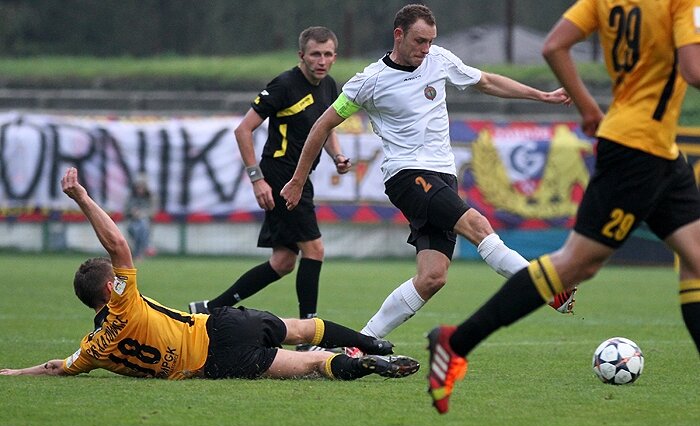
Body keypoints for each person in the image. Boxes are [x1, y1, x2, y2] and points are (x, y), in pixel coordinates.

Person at [425, 0, 700, 414]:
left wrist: (588, 106)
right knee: (576, 264)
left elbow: (554, 46)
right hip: (638, 153)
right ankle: (455, 343)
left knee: (697, 259)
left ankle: (455, 343)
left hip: (658, 150)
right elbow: (693, 70)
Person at [280, 4, 577, 353]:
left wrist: (540, 95)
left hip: (443, 176)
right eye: (419, 41)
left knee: (432, 277)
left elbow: (486, 81)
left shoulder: (439, 60)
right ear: (399, 35)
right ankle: (546, 287)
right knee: (478, 226)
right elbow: (322, 125)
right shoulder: (369, 81)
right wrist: (297, 180)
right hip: (407, 175)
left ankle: (358, 344)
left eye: (431, 41)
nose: (426, 49)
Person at [0, 167, 419, 381]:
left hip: (216, 363)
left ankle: (365, 365)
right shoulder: (123, 305)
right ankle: (374, 344)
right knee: (302, 329)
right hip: (220, 325)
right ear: (111, 287)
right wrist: (82, 197)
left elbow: (58, 367)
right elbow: (118, 245)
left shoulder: (94, 349)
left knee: (311, 364)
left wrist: (18, 373)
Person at [189, 27, 352, 349]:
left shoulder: (330, 85)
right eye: (315, 54)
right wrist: (257, 179)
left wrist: (338, 156)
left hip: (300, 177)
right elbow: (243, 130)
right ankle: (308, 336)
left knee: (283, 261)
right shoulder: (284, 85)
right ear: (301, 55)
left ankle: (210, 309)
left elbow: (326, 127)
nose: (322, 61)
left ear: (335, 56)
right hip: (282, 178)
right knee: (315, 250)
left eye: (328, 54)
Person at [125, 172, 156, 260]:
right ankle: (147, 246)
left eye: (142, 187)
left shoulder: (150, 198)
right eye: (138, 187)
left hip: (145, 223)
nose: (140, 190)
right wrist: (133, 212)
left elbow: (152, 212)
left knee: (142, 226)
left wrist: (142, 214)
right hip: (132, 223)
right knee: (139, 228)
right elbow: (126, 212)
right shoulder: (131, 198)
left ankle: (138, 253)